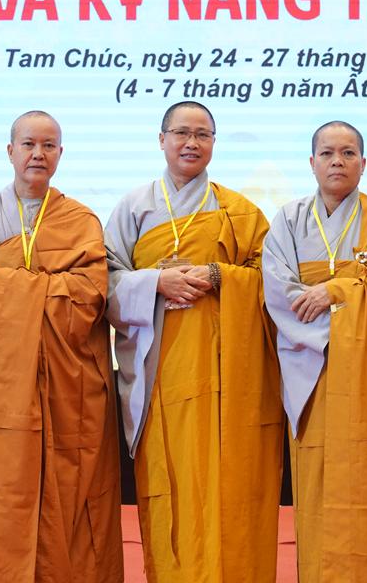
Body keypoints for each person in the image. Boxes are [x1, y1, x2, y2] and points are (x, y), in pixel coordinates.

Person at [105, 101, 284, 582]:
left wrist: (220, 276)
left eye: (202, 135)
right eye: (181, 133)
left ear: (213, 144)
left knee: (229, 485)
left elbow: (272, 281)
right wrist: (154, 283)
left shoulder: (239, 212)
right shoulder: (134, 207)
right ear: (161, 139)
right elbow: (103, 281)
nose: (191, 143)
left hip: (226, 379)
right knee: (174, 484)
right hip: (161, 373)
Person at [0, 111, 123, 583]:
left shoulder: (81, 220)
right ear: (11, 151)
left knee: (70, 485)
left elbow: (90, 294)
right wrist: (45, 288)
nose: (38, 154)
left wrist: (10, 286)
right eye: (28, 144)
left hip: (67, 383)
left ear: (60, 154)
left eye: (48, 146)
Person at [262, 121, 367, 582]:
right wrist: (337, 323)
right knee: (316, 483)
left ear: (363, 164)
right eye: (328, 153)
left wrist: (337, 292)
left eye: (348, 153)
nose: (338, 161)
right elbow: (278, 291)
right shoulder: (289, 220)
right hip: (309, 370)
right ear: (312, 162)